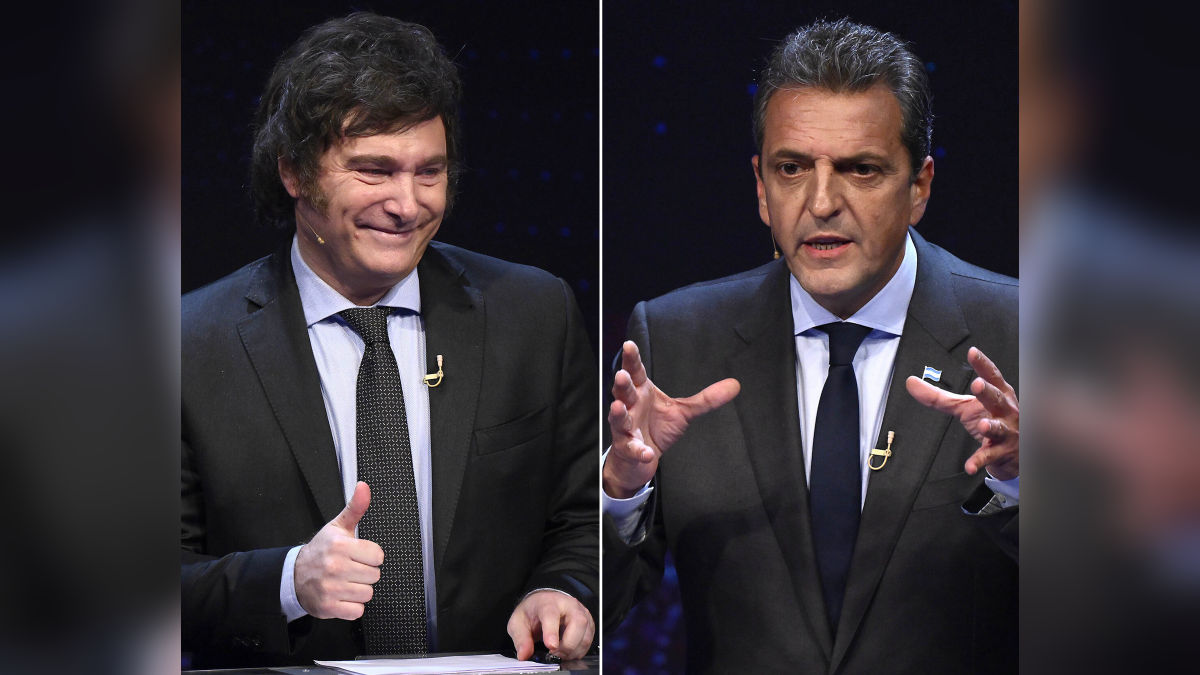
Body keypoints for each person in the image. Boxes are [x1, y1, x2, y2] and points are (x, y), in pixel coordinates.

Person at [603, 18, 1019, 673]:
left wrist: (1026, 483)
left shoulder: (1024, 335)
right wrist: (623, 490)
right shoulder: (677, 338)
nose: (822, 202)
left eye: (860, 169)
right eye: (792, 169)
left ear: (920, 186)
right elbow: (598, 607)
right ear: (762, 188)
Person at [181, 12, 596, 668]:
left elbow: (581, 521)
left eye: (428, 171)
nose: (408, 204)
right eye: (374, 170)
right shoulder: (186, 347)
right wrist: (288, 581)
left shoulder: (534, 313)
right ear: (294, 171)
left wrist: (563, 587)